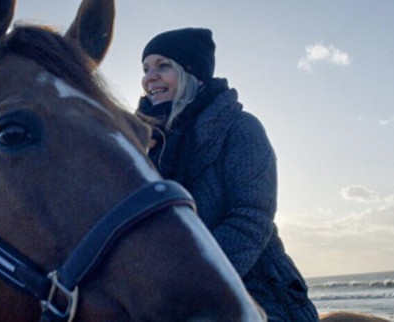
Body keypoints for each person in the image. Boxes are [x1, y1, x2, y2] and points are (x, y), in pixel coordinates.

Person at [136, 27, 319, 321]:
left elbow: (251, 218)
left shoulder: (240, 128)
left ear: (193, 74)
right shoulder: (144, 143)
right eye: (145, 69)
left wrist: (190, 280)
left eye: (163, 65)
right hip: (167, 295)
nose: (149, 77)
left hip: (256, 291)